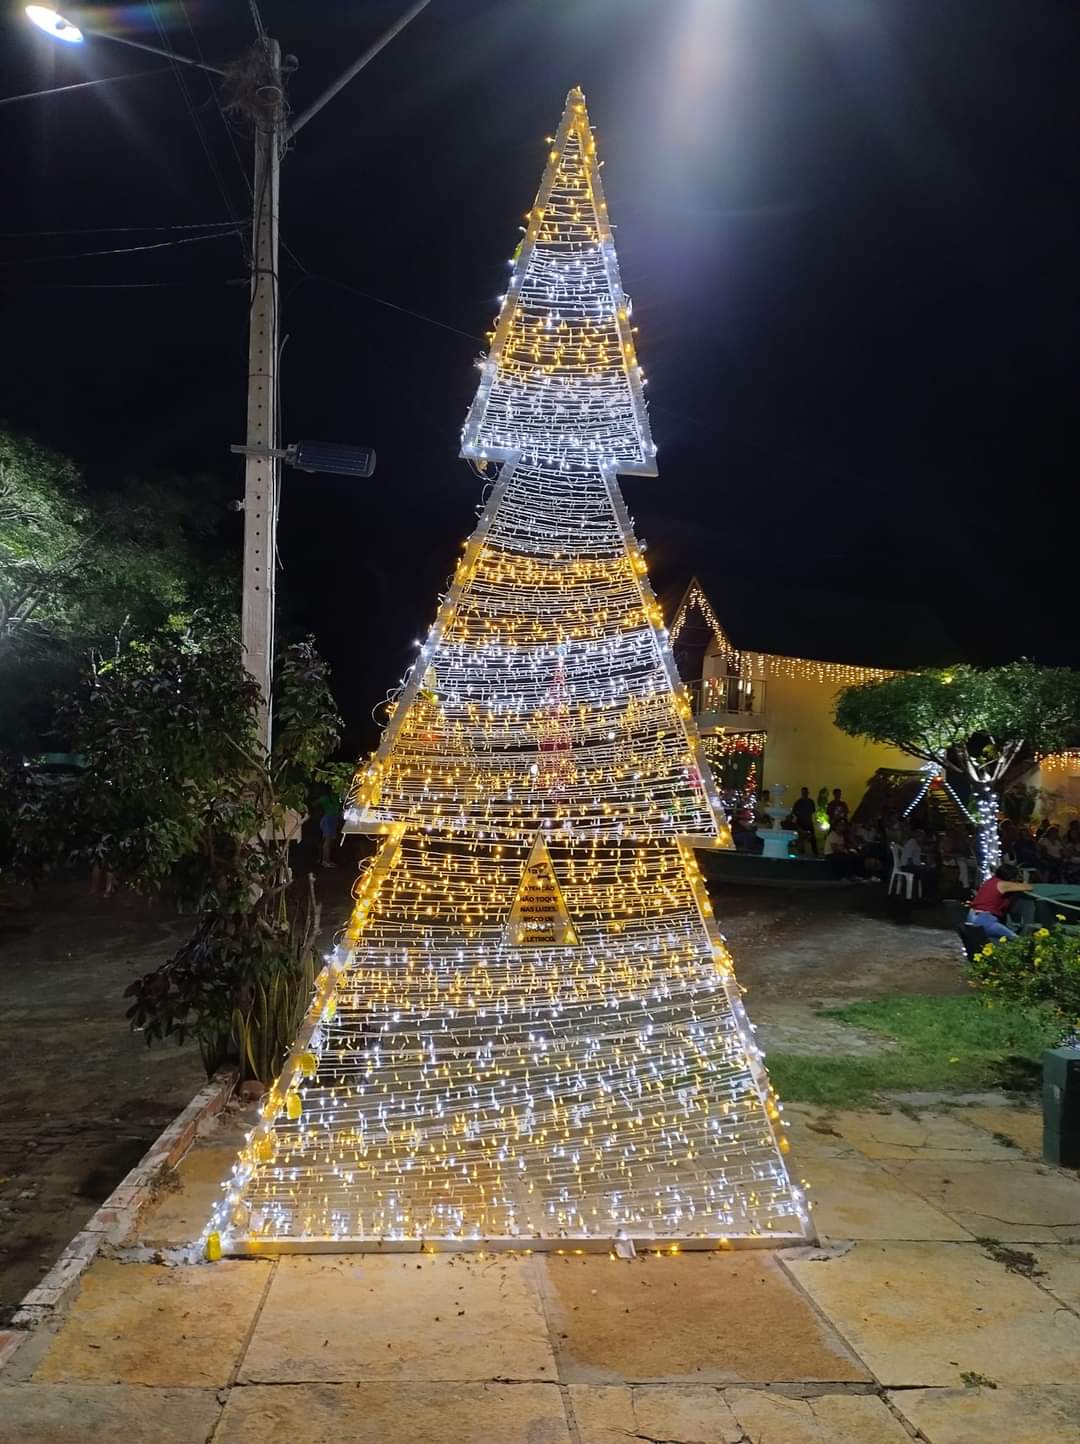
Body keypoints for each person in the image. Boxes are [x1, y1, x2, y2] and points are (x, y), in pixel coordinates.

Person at [967, 863, 1034, 941]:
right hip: (985, 920)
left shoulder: (990, 881)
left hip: (972, 917)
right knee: (1018, 941)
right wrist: (1023, 879)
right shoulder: (1002, 884)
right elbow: (1028, 887)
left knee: (996, 943)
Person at [317, 789, 343, 868]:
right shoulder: (325, 798)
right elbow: (315, 804)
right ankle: (325, 861)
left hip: (333, 819)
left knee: (330, 841)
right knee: (327, 840)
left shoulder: (336, 797)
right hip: (328, 819)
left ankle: (325, 859)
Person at [791, 786, 818, 856]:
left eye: (805, 793)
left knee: (812, 838)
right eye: (803, 793)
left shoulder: (810, 802)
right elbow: (794, 811)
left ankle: (815, 852)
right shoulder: (799, 802)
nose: (804, 794)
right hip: (801, 822)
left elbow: (812, 811)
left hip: (808, 822)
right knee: (801, 839)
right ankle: (802, 852)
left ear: (807, 793)